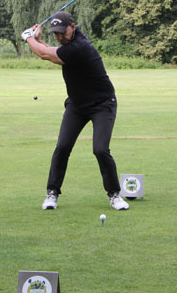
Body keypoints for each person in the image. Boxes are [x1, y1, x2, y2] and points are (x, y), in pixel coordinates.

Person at [21, 11, 130, 211]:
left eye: (62, 32)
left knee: (100, 149)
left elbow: (46, 54)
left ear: (72, 27)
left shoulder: (81, 46)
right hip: (77, 105)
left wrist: (28, 37)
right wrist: (38, 40)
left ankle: (115, 195)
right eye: (56, 34)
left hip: (102, 104)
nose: (59, 37)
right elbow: (51, 51)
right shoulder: (70, 45)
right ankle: (52, 193)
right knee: (62, 146)